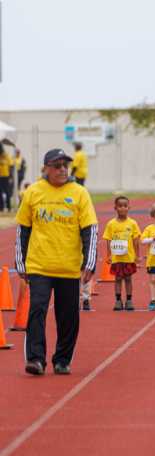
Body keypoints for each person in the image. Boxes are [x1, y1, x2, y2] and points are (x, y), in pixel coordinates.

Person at [15, 148, 98, 375]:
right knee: (37, 310)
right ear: (46, 169)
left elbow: (90, 229)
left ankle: (62, 359)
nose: (62, 169)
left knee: (68, 317)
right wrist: (21, 263)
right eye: (57, 165)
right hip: (39, 265)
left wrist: (89, 262)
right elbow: (23, 229)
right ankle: (36, 359)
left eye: (65, 165)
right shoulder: (33, 192)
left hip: (68, 267)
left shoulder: (79, 193)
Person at [103, 196, 141, 311]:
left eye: (125, 206)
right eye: (120, 206)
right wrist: (108, 255)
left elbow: (136, 240)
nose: (123, 208)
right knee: (118, 278)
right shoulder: (111, 224)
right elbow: (108, 239)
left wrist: (137, 256)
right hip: (117, 257)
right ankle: (118, 300)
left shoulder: (132, 223)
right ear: (115, 208)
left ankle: (129, 300)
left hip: (128, 257)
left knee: (128, 278)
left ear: (129, 208)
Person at [0, 144, 13, 212]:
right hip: (0, 176)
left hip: (6, 176)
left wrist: (11, 176)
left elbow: (11, 166)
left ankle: (9, 207)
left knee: (7, 192)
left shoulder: (6, 156)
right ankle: (1, 207)